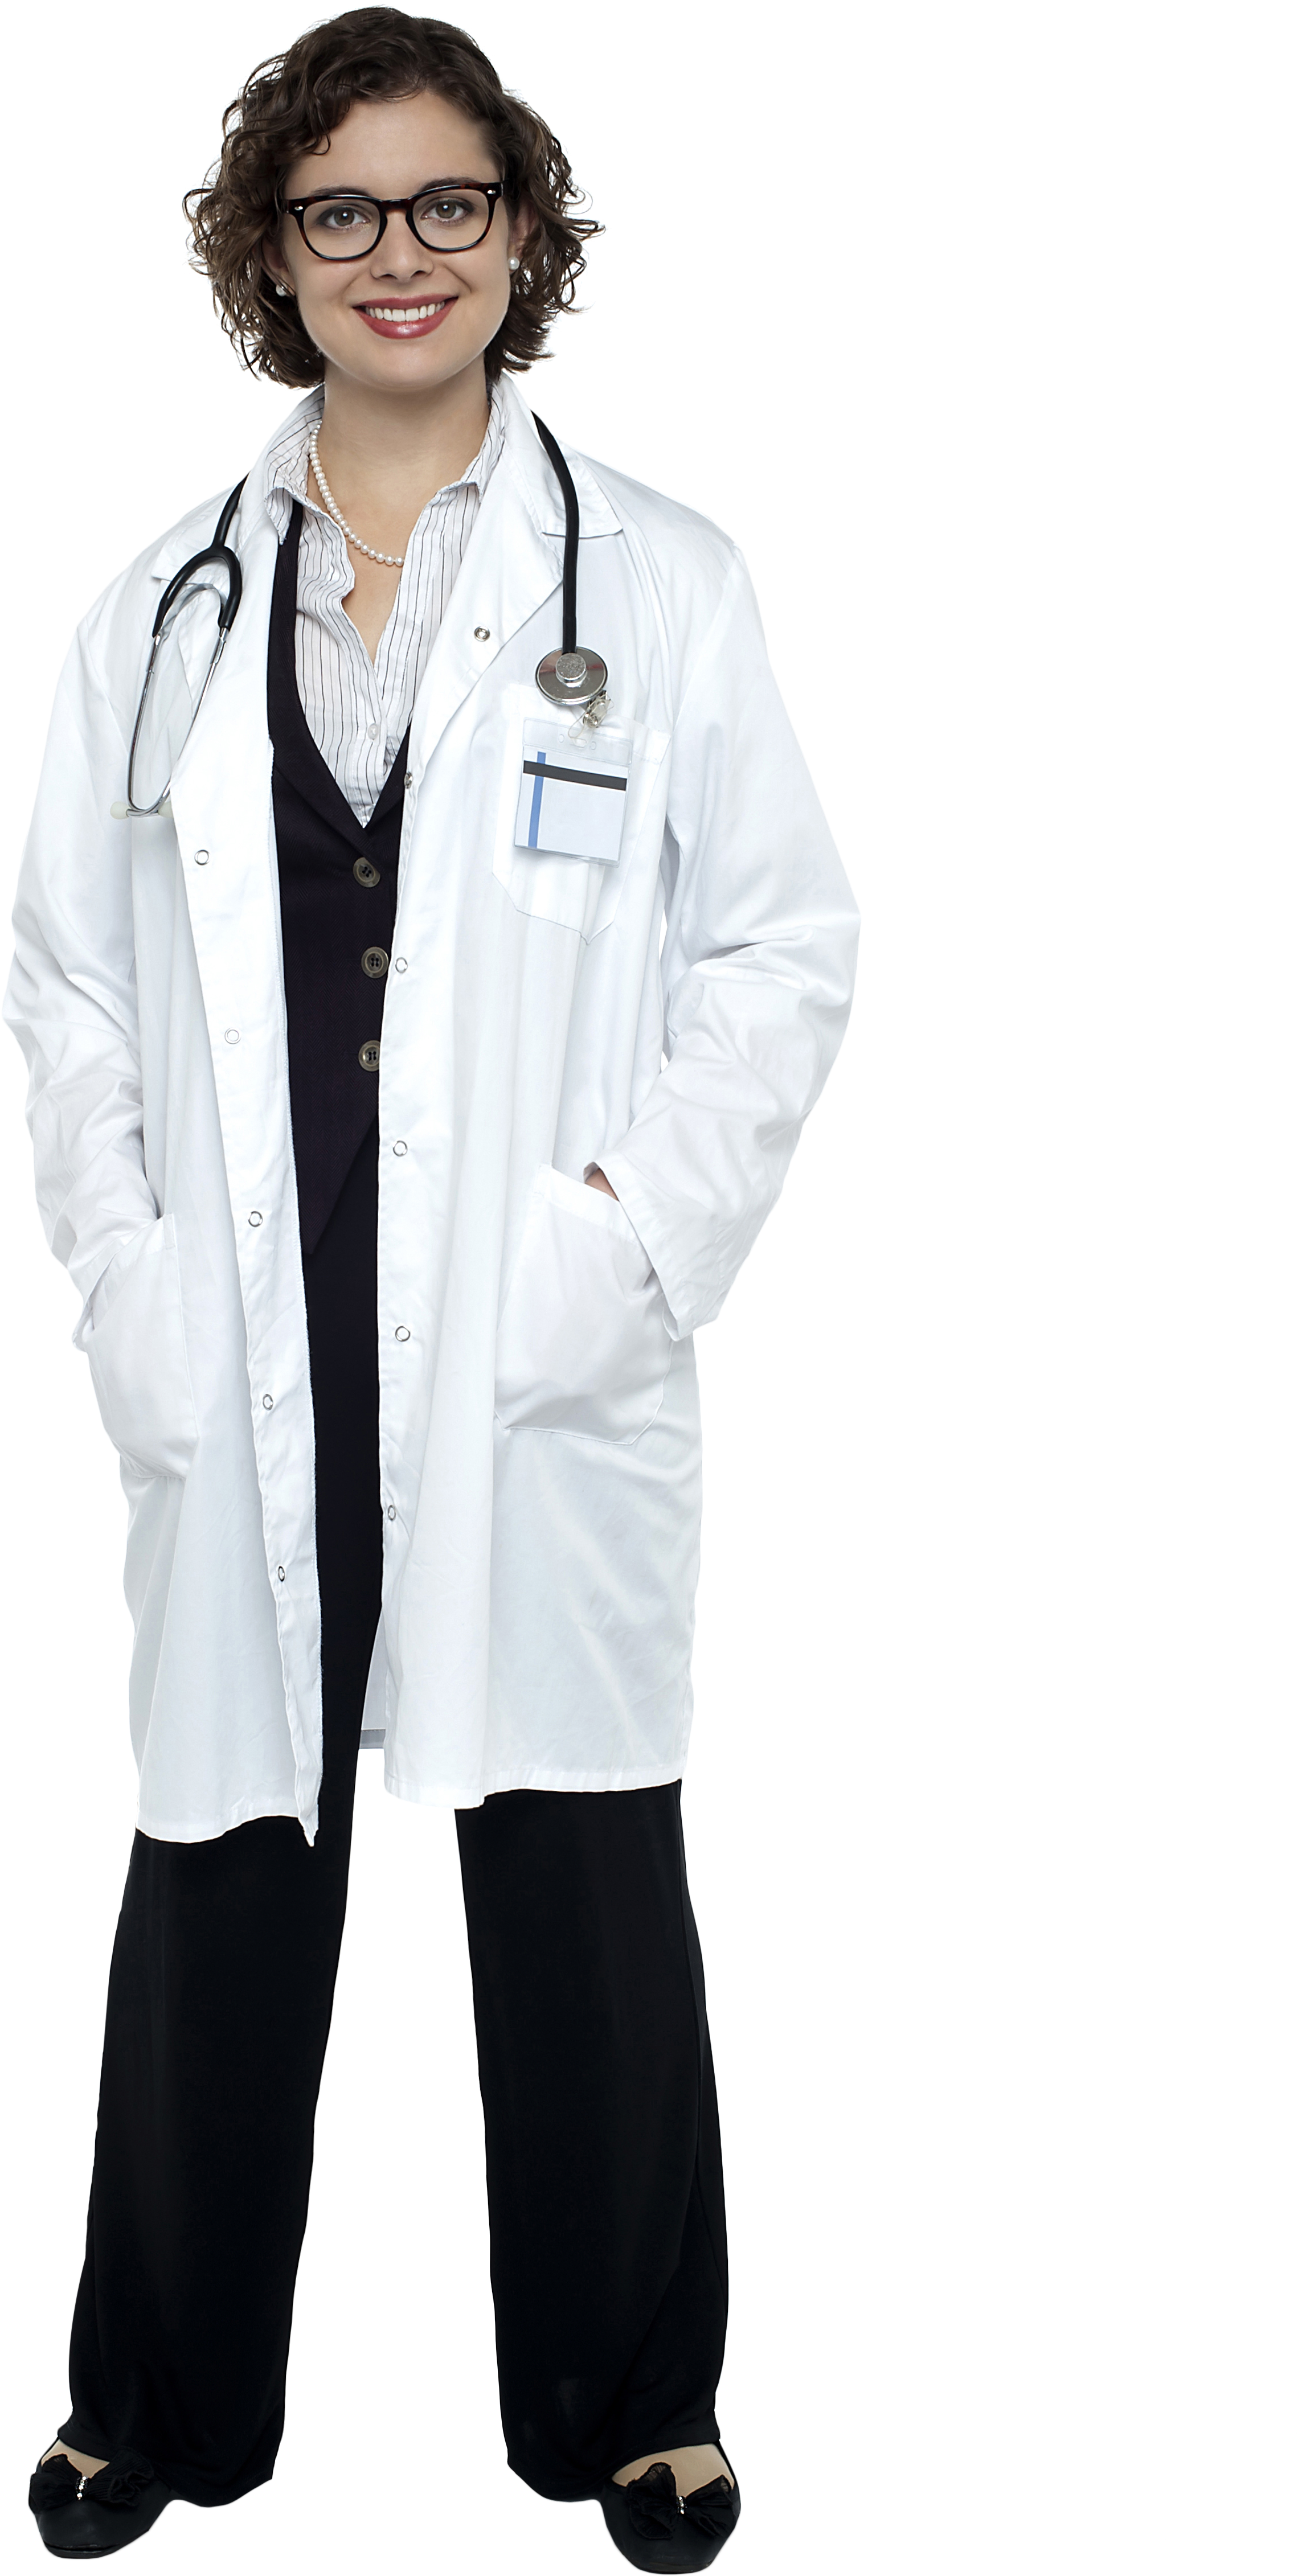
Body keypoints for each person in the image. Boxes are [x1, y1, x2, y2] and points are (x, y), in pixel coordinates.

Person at [9, 11, 859, 2567]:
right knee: (218, 1874)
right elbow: (68, 996)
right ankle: (149, 2405)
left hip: (521, 1340)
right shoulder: (156, 616)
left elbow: (782, 950)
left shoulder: (661, 584)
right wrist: (132, 1288)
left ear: (525, 238)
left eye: (450, 204)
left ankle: (641, 2406)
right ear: (269, 255)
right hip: (248, 1337)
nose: (403, 255)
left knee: (582, 1871)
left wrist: (631, 1248)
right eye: (343, 212)